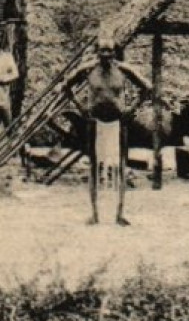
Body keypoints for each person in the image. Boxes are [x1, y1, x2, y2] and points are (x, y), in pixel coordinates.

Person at [65, 42, 152, 227]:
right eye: (102, 50)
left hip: (118, 121)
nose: (106, 54)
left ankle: (119, 214)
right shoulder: (88, 69)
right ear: (97, 52)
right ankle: (94, 214)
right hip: (94, 122)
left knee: (121, 165)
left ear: (114, 52)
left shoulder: (123, 70)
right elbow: (66, 85)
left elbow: (146, 87)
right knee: (94, 166)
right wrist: (81, 108)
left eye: (109, 50)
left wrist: (132, 108)